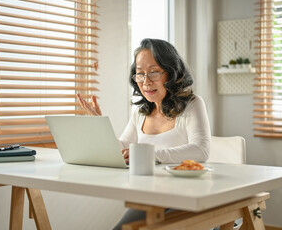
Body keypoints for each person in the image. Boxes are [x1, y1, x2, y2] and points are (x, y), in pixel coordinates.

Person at [77, 38, 211, 228]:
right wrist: (99, 125)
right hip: (153, 195)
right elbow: (123, 148)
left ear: (171, 73)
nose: (146, 81)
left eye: (154, 72)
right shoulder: (140, 113)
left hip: (190, 196)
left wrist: (148, 155)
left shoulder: (192, 104)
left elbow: (201, 150)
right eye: (140, 74)